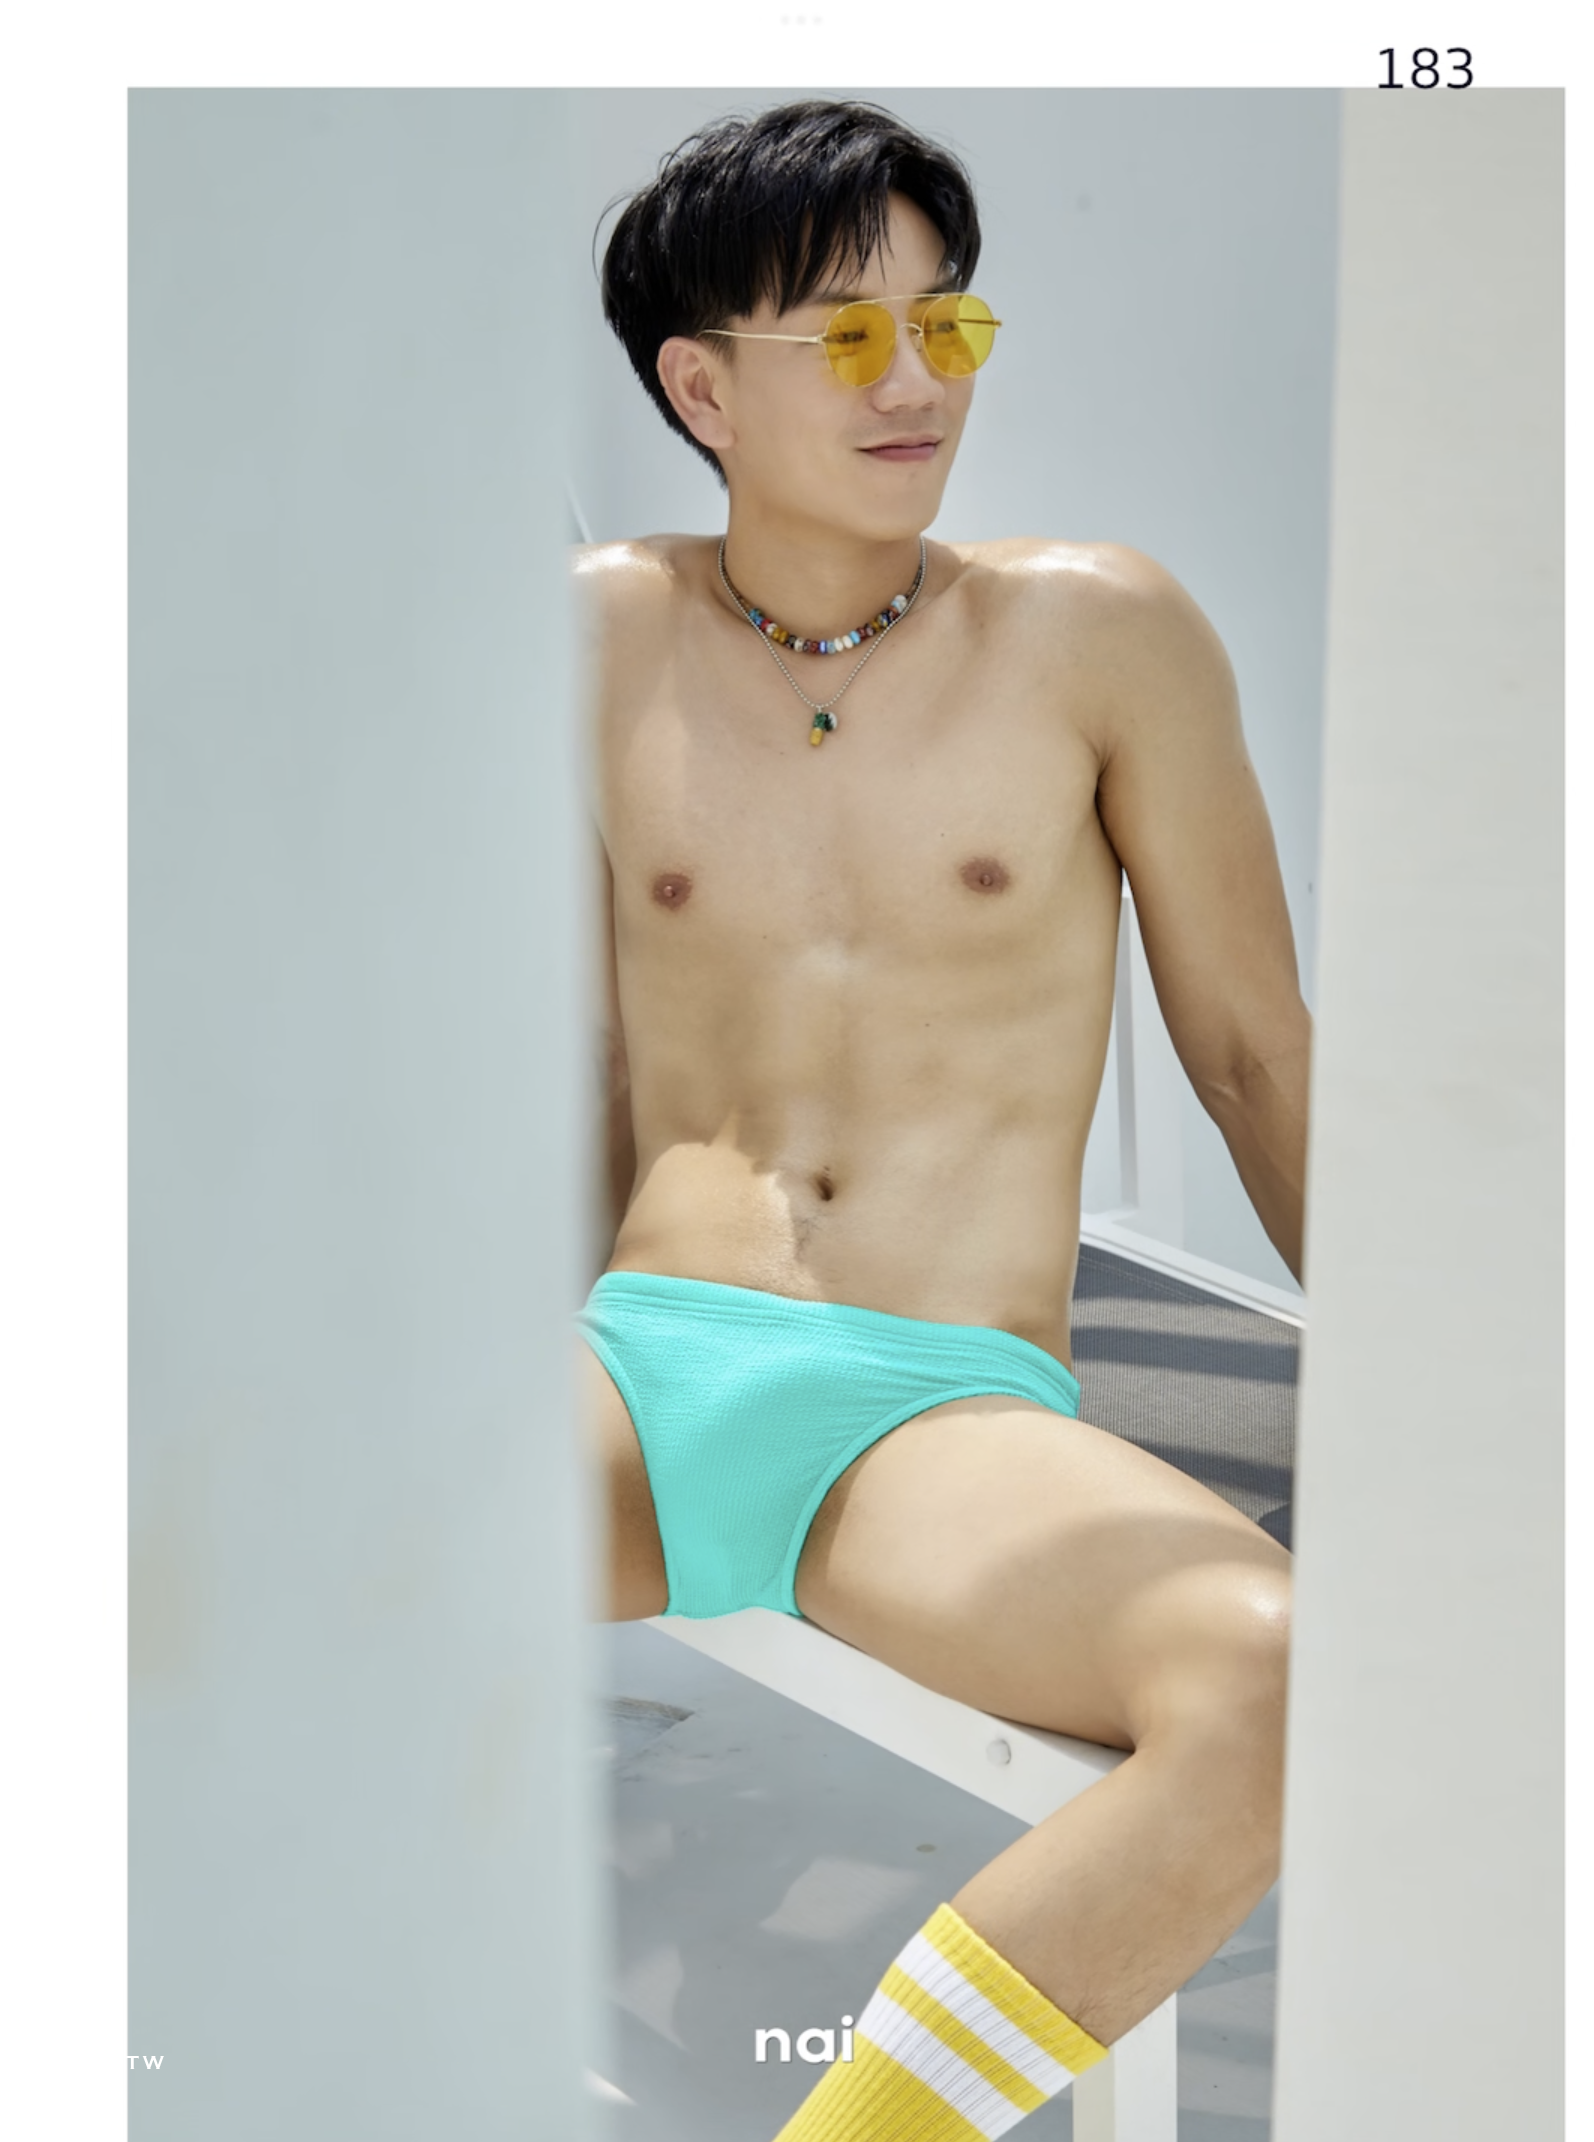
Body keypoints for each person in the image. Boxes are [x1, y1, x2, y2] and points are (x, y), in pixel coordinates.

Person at [576, 98, 1311, 2141]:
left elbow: (1252, 1055)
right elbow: (571, 1057)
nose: (914, 380)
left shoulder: (1096, 630)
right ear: (698, 389)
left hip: (930, 1415)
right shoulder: (596, 633)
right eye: (846, 334)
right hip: (634, 1361)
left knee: (1267, 1684)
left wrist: (1465, 1434)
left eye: (947, 325)